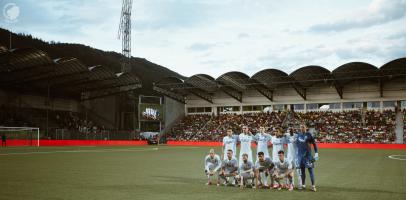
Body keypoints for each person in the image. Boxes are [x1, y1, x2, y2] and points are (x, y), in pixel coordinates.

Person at [296, 124, 319, 192]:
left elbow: (314, 144)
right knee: (302, 171)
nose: (302, 128)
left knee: (310, 171)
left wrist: (316, 153)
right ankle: (303, 185)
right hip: (300, 157)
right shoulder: (298, 135)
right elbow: (298, 144)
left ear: (305, 128)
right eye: (301, 127)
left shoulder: (309, 135)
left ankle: (313, 186)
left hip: (308, 157)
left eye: (303, 127)